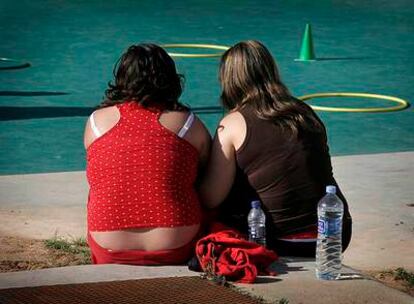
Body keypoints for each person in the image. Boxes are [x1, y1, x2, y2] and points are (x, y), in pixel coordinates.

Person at [199, 40, 352, 257]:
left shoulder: (233, 123)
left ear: (229, 80)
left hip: (281, 238)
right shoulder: (304, 111)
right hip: (335, 234)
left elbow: (211, 197)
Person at [84, 43, 211, 264]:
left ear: (122, 78)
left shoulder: (96, 122)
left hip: (109, 246)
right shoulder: (188, 124)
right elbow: (206, 172)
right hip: (176, 244)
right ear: (170, 79)